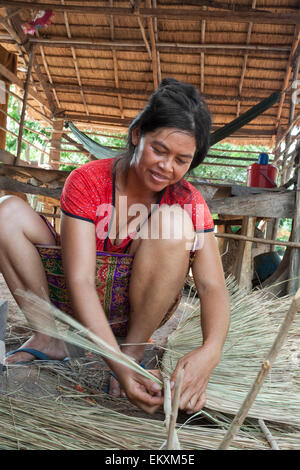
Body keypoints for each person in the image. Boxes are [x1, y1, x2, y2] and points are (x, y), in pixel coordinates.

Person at [1, 78, 230, 415]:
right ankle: (48, 337)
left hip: (136, 313)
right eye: (159, 150)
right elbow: (79, 279)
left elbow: (212, 287)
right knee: (5, 213)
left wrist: (211, 351)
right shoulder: (88, 181)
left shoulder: (187, 201)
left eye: (181, 160)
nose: (167, 167)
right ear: (137, 134)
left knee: (174, 223)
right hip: (72, 298)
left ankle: (132, 351)